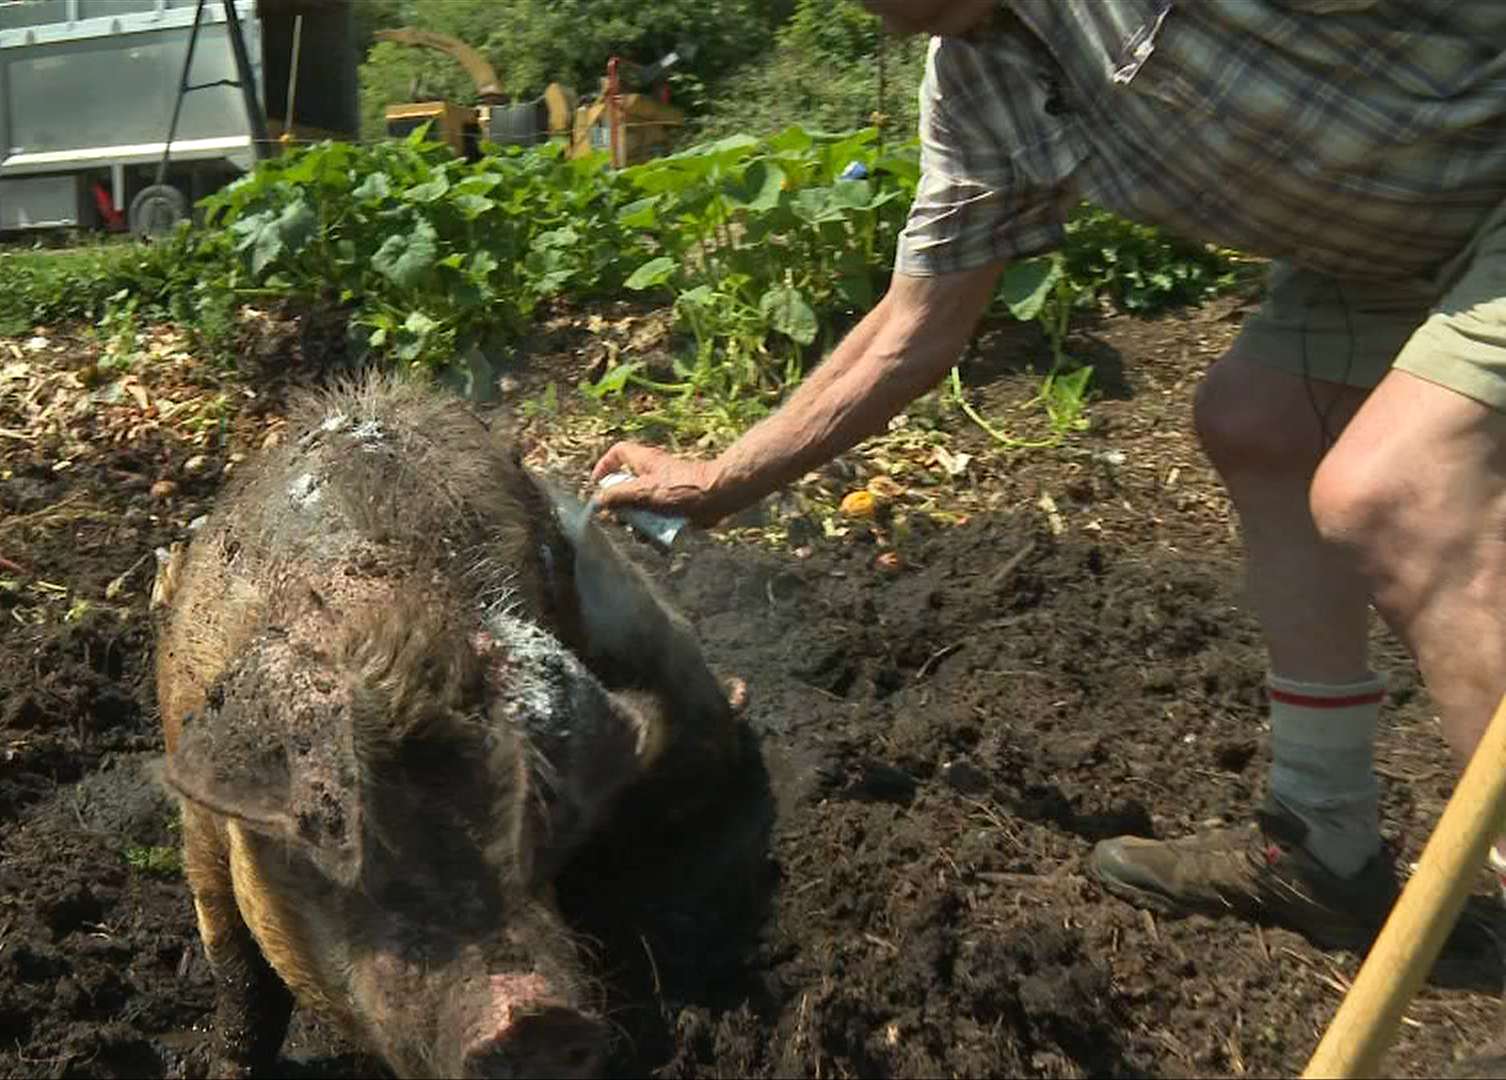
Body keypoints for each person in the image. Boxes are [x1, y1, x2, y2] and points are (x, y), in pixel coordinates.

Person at [590, 0, 1506, 953]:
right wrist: (716, 483)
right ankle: (1324, 845)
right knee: (1260, 422)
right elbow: (912, 331)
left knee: (1400, 488)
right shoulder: (975, 82)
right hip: (1392, 244)